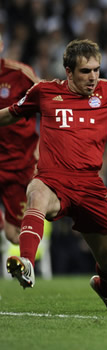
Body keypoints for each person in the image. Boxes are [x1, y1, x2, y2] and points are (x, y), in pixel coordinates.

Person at [0, 39, 107, 311]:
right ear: (68, 72)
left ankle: (104, 287)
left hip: (90, 187)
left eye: (96, 70)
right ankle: (27, 263)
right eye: (85, 72)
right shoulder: (43, 92)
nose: (93, 77)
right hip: (53, 179)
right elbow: (12, 114)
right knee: (36, 193)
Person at [0, 34, 40, 246]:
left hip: (18, 163)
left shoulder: (19, 74)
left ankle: (27, 263)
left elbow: (48, 97)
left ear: (1, 46)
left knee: (12, 234)